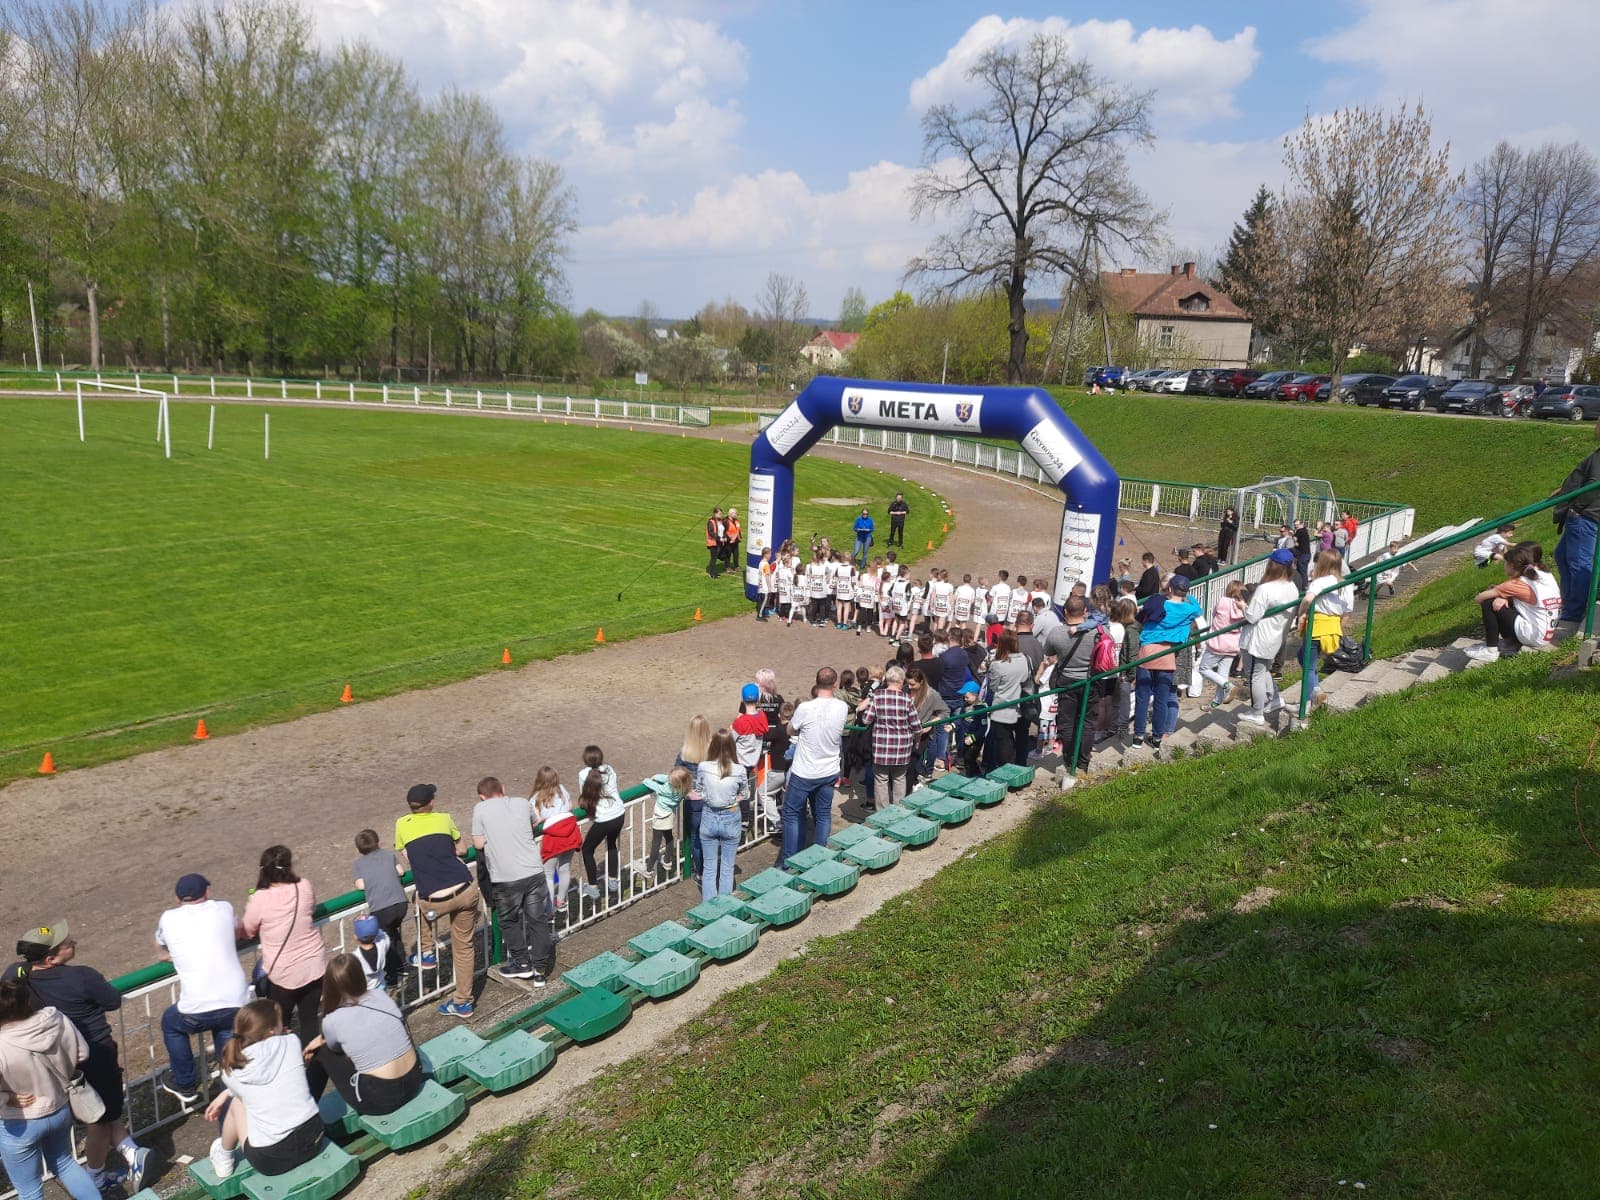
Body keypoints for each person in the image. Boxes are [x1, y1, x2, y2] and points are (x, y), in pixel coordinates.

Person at [7, 923, 151, 1191]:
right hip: (97, 1053)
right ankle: (127, 1158)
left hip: (60, 1064)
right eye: (67, 943)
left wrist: (26, 966)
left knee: (100, 1114)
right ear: (51, 959)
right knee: (98, 1118)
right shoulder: (84, 976)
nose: (74, 941)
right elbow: (112, 1001)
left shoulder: (21, 977)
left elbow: (13, 973)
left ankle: (122, 1157)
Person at [0, 973, 102, 1200]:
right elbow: (82, 1053)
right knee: (65, 1163)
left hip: (19, 1123)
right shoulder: (55, 1019)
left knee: (30, 1190)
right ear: (26, 1002)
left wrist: (6, 1098)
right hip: (59, 1108)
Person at [156, 874, 251, 1110]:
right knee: (228, 1051)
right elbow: (239, 931)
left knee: (171, 1023)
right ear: (206, 893)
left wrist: (171, 956)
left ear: (178, 899)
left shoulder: (168, 918)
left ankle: (186, 1082)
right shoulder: (224, 908)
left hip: (197, 1008)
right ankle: (233, 1095)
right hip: (234, 1001)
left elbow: (160, 947)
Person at [204, 1000, 321, 1180]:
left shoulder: (232, 1072)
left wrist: (225, 1094)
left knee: (237, 1103)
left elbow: (245, 1093)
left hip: (272, 1160)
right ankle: (224, 1154)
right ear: (272, 1030)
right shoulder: (292, 1041)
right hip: (314, 1138)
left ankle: (224, 1156)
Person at [394, 786, 479, 1019]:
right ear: (431, 803)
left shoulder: (402, 824)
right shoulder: (444, 819)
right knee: (464, 947)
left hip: (433, 898)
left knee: (417, 901)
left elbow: (408, 856)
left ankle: (427, 952)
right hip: (464, 889)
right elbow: (461, 849)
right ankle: (463, 1002)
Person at [302, 955, 423, 1118]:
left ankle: (304, 1112)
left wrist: (320, 1041)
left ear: (329, 986)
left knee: (322, 1052)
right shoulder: (381, 996)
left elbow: (334, 1049)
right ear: (360, 975)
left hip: (381, 1099)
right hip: (415, 1080)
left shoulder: (332, 1020)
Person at [471, 776, 556, 987]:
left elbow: (478, 843)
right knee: (538, 921)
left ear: (482, 797)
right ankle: (540, 970)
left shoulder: (480, 810)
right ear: (503, 788)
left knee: (508, 920)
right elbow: (536, 821)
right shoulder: (521, 802)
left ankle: (522, 963)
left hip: (505, 877)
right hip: (534, 872)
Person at [238, 847, 327, 1045]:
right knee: (310, 1020)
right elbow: (310, 908)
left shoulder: (260, 898)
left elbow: (247, 931)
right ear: (289, 866)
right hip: (313, 965)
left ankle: (287, 1065)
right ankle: (313, 1066)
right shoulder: (303, 886)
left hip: (283, 974)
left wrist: (249, 907)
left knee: (279, 1025)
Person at [782, 668, 848, 863]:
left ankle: (789, 861)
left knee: (792, 813)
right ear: (835, 684)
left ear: (815, 682)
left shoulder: (805, 708)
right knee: (823, 814)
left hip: (805, 772)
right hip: (829, 770)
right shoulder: (841, 707)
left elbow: (790, 729)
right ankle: (820, 859)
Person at [1131, 578, 1202, 755]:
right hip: (1167, 653)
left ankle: (1138, 737)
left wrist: (1164, 593)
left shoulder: (1157, 603)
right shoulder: (1189, 609)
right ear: (1185, 592)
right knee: (1162, 700)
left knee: (1142, 697)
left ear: (1169, 588)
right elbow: (1198, 608)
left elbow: (1141, 615)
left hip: (1147, 651)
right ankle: (1156, 738)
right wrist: (1187, 597)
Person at [1467, 541, 1562, 662]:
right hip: (1546, 632)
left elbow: (1479, 598)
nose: (1504, 566)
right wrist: (1503, 596)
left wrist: (1500, 594)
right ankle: (1510, 642)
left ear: (1512, 565)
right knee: (1500, 600)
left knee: (1488, 602)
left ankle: (1490, 650)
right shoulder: (1544, 574)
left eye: (1506, 563)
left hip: (1534, 636)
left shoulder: (1516, 583)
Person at [1238, 551, 1301, 726]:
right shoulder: (1292, 587)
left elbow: (1251, 616)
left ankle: (1257, 712)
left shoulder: (1266, 588)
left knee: (1255, 675)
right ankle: (1273, 699)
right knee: (1264, 670)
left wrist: (1243, 606)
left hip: (1258, 638)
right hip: (1275, 636)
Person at [1042, 596, 1098, 785]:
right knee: (1088, 721)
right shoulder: (1097, 630)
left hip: (1067, 680)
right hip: (1090, 679)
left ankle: (1069, 759)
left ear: (1065, 612)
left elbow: (1049, 652)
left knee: (1067, 722)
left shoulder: (1056, 633)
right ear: (1085, 612)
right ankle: (1083, 760)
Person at [1552, 416, 1600, 634]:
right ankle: (1570, 603)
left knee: (1579, 564)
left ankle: (1573, 614)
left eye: (1598, 423)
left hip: (1584, 517)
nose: (1595, 427)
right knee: (1562, 556)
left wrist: (1575, 507)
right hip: (1583, 516)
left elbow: (1592, 486)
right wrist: (1563, 492)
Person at [1297, 550, 1354, 710]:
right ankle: (1315, 689)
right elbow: (1348, 612)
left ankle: (1307, 703)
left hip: (1317, 625)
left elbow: (1308, 599)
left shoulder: (1320, 582)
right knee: (1303, 656)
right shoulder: (1347, 583)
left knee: (1308, 665)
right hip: (1333, 628)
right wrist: (1337, 628)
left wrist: (1301, 614)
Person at [857, 665, 920, 809]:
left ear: (887, 680)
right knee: (899, 778)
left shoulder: (878, 696)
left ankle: (882, 812)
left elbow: (866, 720)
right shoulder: (907, 699)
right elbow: (916, 726)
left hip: (881, 746)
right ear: (901, 681)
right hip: (902, 747)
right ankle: (899, 809)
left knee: (881, 779)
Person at [695, 730, 748, 900]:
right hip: (731, 816)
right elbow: (745, 794)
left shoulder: (703, 767)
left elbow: (699, 791)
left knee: (709, 867)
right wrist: (733, 798)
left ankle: (709, 908)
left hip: (709, 816)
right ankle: (726, 908)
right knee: (727, 866)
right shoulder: (740, 770)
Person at [351, 831, 407, 990]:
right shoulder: (389, 855)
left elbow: (361, 885)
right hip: (401, 903)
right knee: (392, 933)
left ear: (358, 849)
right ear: (378, 842)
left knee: (384, 939)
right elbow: (401, 872)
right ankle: (402, 963)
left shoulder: (358, 864)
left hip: (382, 908)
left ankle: (392, 973)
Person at [576, 746, 625, 901]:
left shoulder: (583, 775)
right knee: (611, 844)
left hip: (604, 818)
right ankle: (612, 880)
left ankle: (593, 887)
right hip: (619, 814)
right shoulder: (609, 769)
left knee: (587, 849)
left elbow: (585, 797)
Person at [981, 632, 1031, 770]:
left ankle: (1007, 772)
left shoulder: (998, 665)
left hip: (1002, 709)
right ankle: (1021, 769)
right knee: (1021, 741)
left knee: (1004, 744)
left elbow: (993, 687)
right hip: (1021, 707)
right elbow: (1025, 679)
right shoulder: (1025, 659)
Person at [533, 768, 579, 913]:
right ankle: (561, 900)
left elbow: (536, 819)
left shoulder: (536, 798)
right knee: (565, 868)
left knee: (548, 873)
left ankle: (549, 909)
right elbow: (570, 807)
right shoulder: (562, 790)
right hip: (570, 833)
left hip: (553, 839)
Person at [673, 717, 714, 881]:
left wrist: (686, 790)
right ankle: (712, 868)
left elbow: (676, 772)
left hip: (693, 800)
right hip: (712, 798)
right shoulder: (713, 750)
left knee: (696, 837)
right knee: (711, 836)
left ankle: (701, 872)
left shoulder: (684, 752)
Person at [1197, 581, 1246, 707]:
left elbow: (1214, 615)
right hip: (1233, 645)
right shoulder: (1243, 607)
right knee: (1222, 674)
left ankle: (1228, 686)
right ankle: (1217, 701)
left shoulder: (1223, 601)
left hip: (1217, 643)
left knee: (1203, 668)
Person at [641, 766, 689, 882]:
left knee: (656, 842)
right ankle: (667, 861)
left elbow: (655, 786)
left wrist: (646, 780)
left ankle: (648, 869)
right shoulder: (683, 788)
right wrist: (657, 776)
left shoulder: (667, 789)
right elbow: (667, 779)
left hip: (660, 816)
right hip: (670, 815)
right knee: (669, 837)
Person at [349, 917, 391, 993]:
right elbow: (384, 935)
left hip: (366, 992)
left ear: (355, 937)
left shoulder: (355, 957)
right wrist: (373, 929)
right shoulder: (383, 945)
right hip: (381, 986)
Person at [705, 507, 724, 578]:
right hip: (713, 542)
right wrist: (719, 538)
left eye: (721, 514)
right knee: (713, 558)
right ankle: (712, 573)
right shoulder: (711, 521)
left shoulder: (720, 521)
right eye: (719, 514)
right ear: (715, 514)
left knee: (715, 557)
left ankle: (714, 571)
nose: (720, 515)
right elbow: (711, 532)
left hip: (718, 542)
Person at [723, 507, 741, 572]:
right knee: (728, 554)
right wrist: (726, 538)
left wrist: (739, 537)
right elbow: (722, 531)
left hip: (735, 541)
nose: (736, 514)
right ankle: (727, 567)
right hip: (728, 541)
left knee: (736, 554)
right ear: (730, 514)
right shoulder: (725, 521)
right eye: (735, 513)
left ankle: (736, 566)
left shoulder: (736, 520)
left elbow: (737, 530)